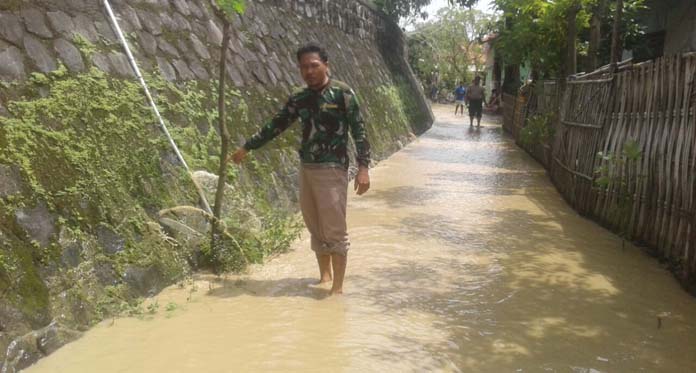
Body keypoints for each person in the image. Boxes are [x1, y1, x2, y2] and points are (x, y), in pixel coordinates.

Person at [228, 44, 371, 296]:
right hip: (307, 167)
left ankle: (337, 290)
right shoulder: (299, 97)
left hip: (333, 168)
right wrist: (248, 147)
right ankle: (324, 276)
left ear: (326, 65)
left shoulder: (342, 93)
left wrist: (364, 168)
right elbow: (277, 124)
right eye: (304, 67)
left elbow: (359, 130)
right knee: (314, 224)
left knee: (334, 228)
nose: (309, 71)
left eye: (314, 65)